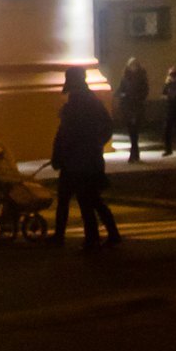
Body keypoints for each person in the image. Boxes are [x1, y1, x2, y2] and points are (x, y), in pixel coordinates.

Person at [50, 67, 121, 250]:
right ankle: (106, 235)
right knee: (86, 199)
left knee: (84, 200)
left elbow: (66, 133)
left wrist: (61, 153)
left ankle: (92, 238)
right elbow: (106, 126)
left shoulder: (80, 104)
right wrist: (96, 144)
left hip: (79, 161)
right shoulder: (89, 102)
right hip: (82, 159)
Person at [114, 57, 150, 163]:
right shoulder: (125, 78)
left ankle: (133, 153)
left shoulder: (141, 78)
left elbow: (145, 91)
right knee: (131, 131)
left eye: (134, 65)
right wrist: (122, 95)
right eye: (131, 65)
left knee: (135, 130)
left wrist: (137, 97)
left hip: (136, 106)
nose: (133, 67)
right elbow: (120, 90)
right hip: (127, 107)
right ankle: (135, 152)